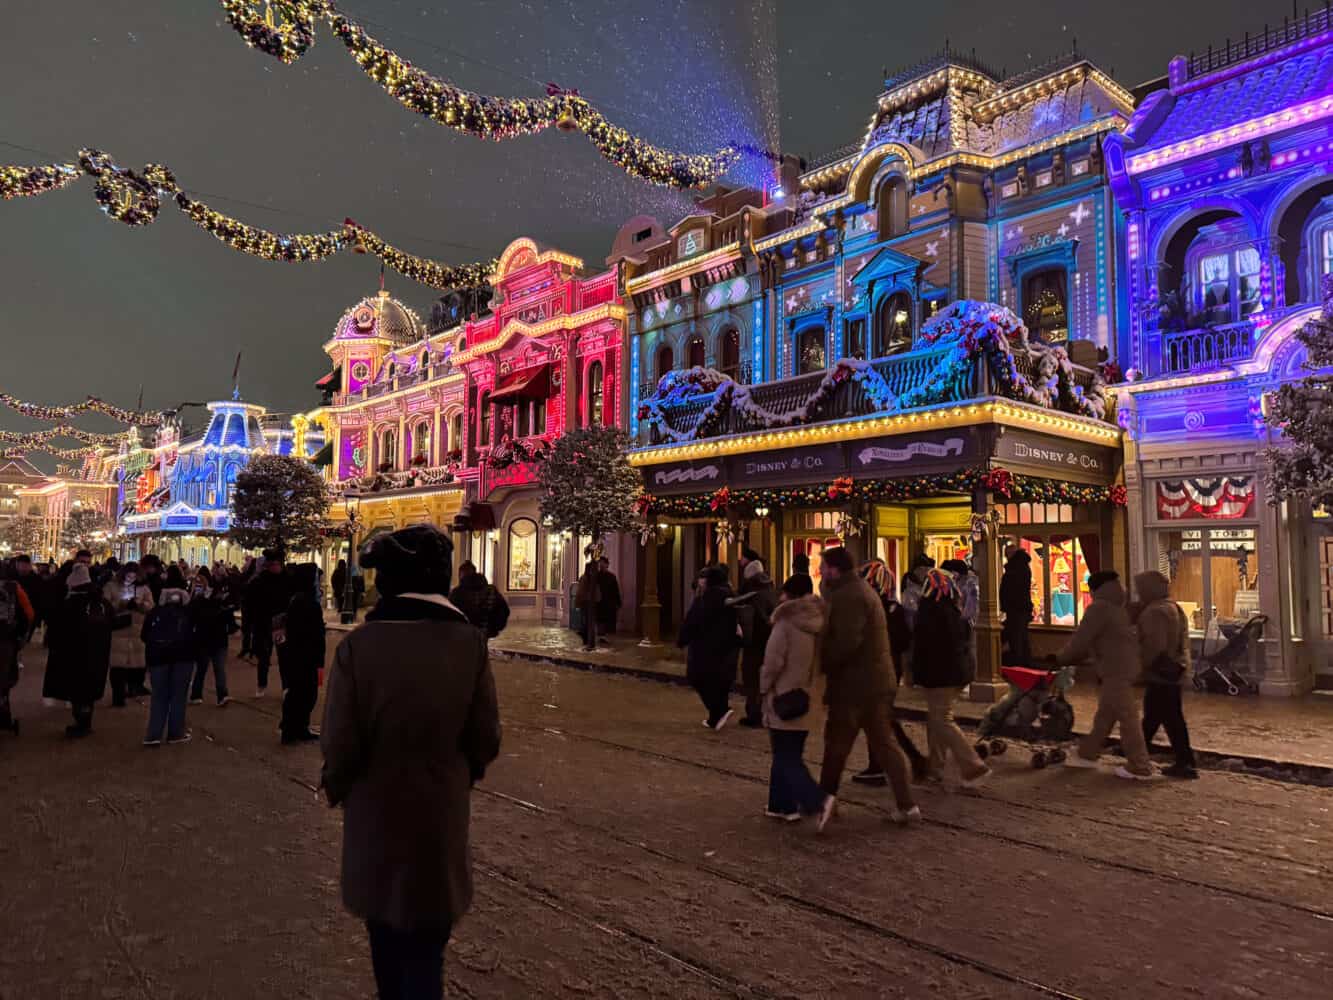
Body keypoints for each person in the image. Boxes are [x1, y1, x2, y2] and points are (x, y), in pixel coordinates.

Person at [321, 524, 500, 1000]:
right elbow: (486, 738)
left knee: (386, 940)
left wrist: (338, 786)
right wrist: (458, 774)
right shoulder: (469, 646)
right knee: (428, 950)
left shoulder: (360, 647)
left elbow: (339, 742)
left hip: (376, 815)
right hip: (439, 815)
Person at [815, 547, 919, 832]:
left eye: (823, 566)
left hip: (855, 685)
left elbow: (846, 643)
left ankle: (825, 803)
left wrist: (821, 662)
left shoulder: (849, 596)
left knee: (837, 744)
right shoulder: (857, 590)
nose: (820, 571)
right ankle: (907, 804)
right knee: (884, 744)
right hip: (875, 682)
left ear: (834, 568)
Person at [1054, 570, 1154, 779]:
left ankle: (1139, 764)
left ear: (1095, 589)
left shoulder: (1099, 608)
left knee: (1127, 716)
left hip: (1114, 668)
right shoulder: (1119, 607)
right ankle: (1087, 754)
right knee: (1106, 715)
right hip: (1123, 666)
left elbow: (1081, 640)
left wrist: (1060, 658)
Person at [852, 560, 928, 785]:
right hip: (889, 669)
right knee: (882, 717)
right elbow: (905, 640)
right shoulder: (895, 609)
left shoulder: (872, 609)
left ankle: (892, 765)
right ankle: (900, 761)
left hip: (874, 670)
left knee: (878, 719)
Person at [913, 569, 991, 786]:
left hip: (939, 675)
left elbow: (923, 648)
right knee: (936, 719)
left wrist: (915, 673)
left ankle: (973, 766)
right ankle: (935, 767)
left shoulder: (929, 612)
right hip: (955, 673)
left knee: (942, 719)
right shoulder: (954, 611)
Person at [760, 574, 828, 821]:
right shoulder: (820, 623)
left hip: (784, 697)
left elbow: (773, 662)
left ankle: (817, 800)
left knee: (785, 755)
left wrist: (763, 686)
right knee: (789, 752)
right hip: (809, 697)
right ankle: (781, 806)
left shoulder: (785, 623)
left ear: (789, 595)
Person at [1134, 571, 1198, 779]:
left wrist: (1139, 667)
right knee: (1159, 717)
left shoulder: (1154, 612)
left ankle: (1183, 762)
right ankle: (1139, 755)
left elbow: (1153, 646)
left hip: (1161, 674)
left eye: (1141, 588)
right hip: (1174, 671)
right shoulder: (1173, 607)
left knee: (1165, 718)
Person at [42, 563, 115, 737]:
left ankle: (81, 724)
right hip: (97, 653)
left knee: (77, 690)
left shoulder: (71, 603)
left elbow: (57, 627)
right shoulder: (101, 603)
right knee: (88, 690)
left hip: (73, 654)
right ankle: (85, 721)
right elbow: (112, 621)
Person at [678, 566, 740, 731]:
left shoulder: (707, 598)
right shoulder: (729, 595)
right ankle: (716, 717)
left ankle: (719, 712)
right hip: (726, 648)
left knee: (697, 677)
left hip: (705, 648)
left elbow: (692, 621)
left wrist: (682, 640)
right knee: (720, 681)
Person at [140, 581, 196, 747]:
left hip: (158, 659)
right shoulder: (188, 613)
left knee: (158, 696)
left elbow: (144, 636)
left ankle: (153, 735)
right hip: (183, 659)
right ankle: (175, 733)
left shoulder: (154, 612)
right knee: (178, 696)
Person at [278, 563, 326, 744]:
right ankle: (290, 729)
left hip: (303, 655)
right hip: (304, 656)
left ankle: (299, 727)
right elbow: (308, 632)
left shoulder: (303, 600)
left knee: (305, 693)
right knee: (301, 694)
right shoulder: (304, 602)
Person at [733, 551, 777, 727]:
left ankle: (754, 714)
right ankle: (765, 712)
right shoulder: (770, 590)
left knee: (752, 679)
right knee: (765, 680)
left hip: (755, 642)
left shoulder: (752, 594)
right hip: (769, 641)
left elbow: (756, 619)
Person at [105, 562, 153, 706]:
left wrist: (140, 605)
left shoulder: (144, 589)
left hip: (137, 631)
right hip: (118, 630)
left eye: (134, 576)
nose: (131, 578)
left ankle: (133, 689)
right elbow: (106, 605)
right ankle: (118, 696)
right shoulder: (111, 587)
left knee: (137, 665)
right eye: (128, 575)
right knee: (118, 666)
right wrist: (121, 605)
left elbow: (151, 606)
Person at [245, 551, 292, 697]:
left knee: (283, 656)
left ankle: (286, 686)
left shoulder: (287, 580)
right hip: (265, 624)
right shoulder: (260, 580)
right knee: (264, 656)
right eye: (271, 564)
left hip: (280, 624)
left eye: (276, 564)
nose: (274, 567)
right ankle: (261, 685)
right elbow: (251, 600)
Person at [187, 574, 232, 707]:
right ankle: (197, 695)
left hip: (214, 637)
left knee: (217, 668)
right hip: (205, 638)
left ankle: (221, 695)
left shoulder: (213, 599)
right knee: (203, 668)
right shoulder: (196, 601)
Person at [449, 561, 510, 638]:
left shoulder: (458, 593)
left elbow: (451, 615)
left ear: (461, 574)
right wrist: (494, 627)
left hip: (465, 633)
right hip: (486, 632)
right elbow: (504, 610)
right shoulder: (491, 590)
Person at [1000, 546, 1034, 666]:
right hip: (1021, 607)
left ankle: (1018, 664)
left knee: (1017, 638)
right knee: (1021, 637)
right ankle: (1024, 663)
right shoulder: (1022, 566)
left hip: (1016, 608)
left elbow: (1011, 589)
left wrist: (1005, 604)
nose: (1005, 556)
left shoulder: (1015, 568)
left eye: (1006, 554)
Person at [575, 559, 602, 651]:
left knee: (588, 621)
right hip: (586, 602)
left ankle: (586, 637)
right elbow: (581, 591)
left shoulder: (593, 578)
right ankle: (585, 637)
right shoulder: (585, 578)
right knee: (586, 621)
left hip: (590, 602)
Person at [595, 557, 621, 643]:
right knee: (600, 619)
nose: (601, 565)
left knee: (607, 619)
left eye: (603, 563)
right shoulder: (597, 576)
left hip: (609, 602)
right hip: (600, 602)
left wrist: (618, 602)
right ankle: (601, 635)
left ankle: (605, 635)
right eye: (600, 563)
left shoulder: (612, 577)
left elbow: (615, 590)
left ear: (607, 565)